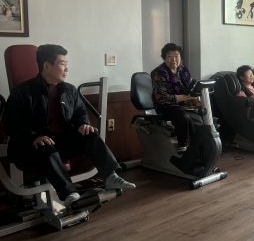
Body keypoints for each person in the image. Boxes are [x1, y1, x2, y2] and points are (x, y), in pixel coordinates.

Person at [5, 44, 136, 206]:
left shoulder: (69, 90)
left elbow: (80, 113)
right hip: (31, 147)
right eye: (62, 64)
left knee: (90, 134)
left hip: (61, 143)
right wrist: (34, 137)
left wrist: (83, 124)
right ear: (46, 66)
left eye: (67, 64)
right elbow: (11, 124)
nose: (67, 69)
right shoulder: (22, 92)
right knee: (47, 147)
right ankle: (68, 193)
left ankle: (111, 177)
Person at [151, 43, 201, 152]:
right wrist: (186, 97)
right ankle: (184, 146)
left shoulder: (183, 69)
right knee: (183, 116)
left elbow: (191, 87)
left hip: (183, 105)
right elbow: (162, 98)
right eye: (169, 56)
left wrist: (196, 100)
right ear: (164, 58)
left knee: (201, 115)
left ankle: (199, 146)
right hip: (165, 107)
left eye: (176, 56)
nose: (173, 59)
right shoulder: (159, 73)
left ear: (180, 57)